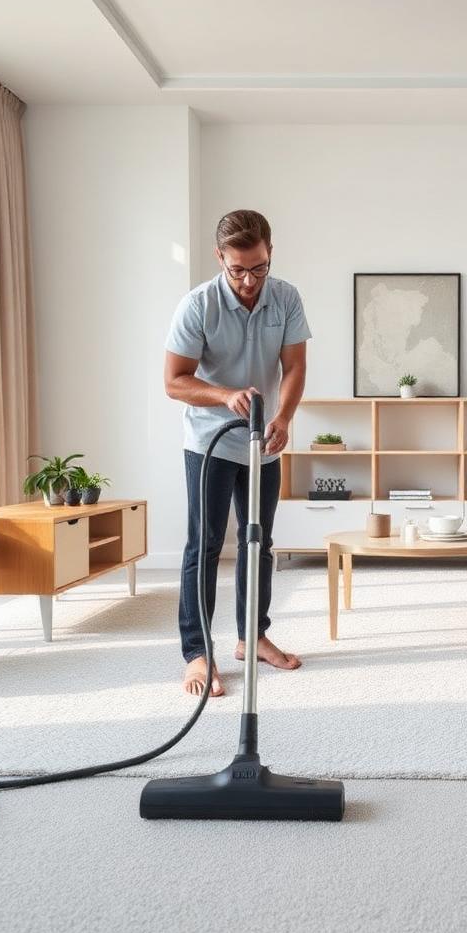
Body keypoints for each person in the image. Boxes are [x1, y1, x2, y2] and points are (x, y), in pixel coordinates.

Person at [164, 209, 310, 696]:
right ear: (219, 257)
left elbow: (293, 368)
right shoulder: (197, 306)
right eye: (238, 269)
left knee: (258, 542)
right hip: (209, 442)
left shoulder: (285, 298)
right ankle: (198, 652)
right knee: (204, 546)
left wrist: (284, 417)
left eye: (259, 268)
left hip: (262, 440)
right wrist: (225, 395)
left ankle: (253, 637)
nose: (249, 280)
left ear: (270, 255)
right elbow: (174, 381)